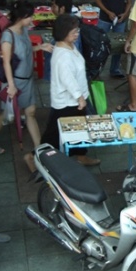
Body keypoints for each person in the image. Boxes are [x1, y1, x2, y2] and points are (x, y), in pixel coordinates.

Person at [0, 0, 52, 157]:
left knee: (30, 112)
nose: (32, 20)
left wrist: (40, 47)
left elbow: (25, 52)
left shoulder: (24, 30)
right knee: (6, 115)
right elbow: (6, 62)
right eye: (30, 17)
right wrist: (11, 86)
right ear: (22, 16)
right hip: (15, 81)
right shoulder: (8, 35)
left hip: (26, 79)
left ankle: (39, 148)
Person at [39, 14, 99, 167]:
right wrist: (79, 97)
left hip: (75, 99)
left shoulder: (69, 46)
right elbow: (68, 79)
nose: (77, 34)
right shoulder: (62, 56)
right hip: (68, 102)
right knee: (54, 134)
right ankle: (37, 157)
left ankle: (80, 154)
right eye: (74, 32)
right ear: (63, 32)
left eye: (77, 31)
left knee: (78, 128)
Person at [95, 0, 135, 79]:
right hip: (104, 18)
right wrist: (107, 12)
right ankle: (96, 68)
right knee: (100, 42)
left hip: (120, 19)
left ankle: (115, 69)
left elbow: (129, 2)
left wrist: (125, 14)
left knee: (119, 44)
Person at [43, 0, 82, 82]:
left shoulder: (69, 25)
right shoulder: (64, 21)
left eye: (54, 6)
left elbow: (72, 50)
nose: (52, 9)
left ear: (62, 8)